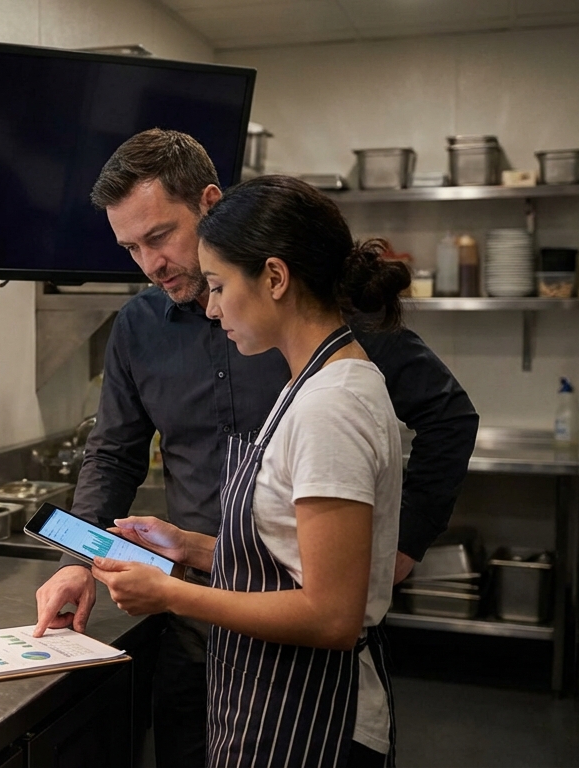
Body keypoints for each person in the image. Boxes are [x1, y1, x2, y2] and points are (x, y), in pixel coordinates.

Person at [32, 130, 479, 766]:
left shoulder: (324, 348)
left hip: (296, 650)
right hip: (200, 634)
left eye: (159, 237)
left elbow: (446, 418)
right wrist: (90, 556)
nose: (151, 265)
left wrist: (397, 547)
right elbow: (112, 452)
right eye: (131, 248)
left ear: (212, 206)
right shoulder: (139, 327)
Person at [94, 174, 409, 766]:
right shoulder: (309, 383)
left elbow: (330, 614)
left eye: (217, 286)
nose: (210, 309)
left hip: (312, 715)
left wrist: (169, 595)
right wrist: (188, 548)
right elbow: (287, 559)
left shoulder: (330, 407)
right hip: (271, 703)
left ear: (274, 277)